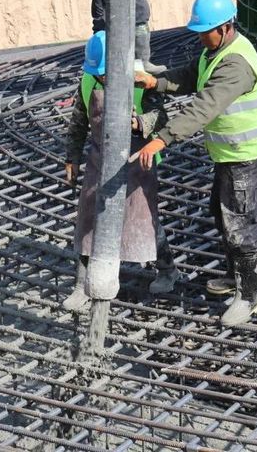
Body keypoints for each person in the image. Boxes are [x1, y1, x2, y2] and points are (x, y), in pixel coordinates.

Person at [134, 0, 257, 326]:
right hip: (231, 155)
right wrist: (157, 82)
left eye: (205, 31)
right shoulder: (215, 51)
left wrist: (162, 139)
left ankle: (248, 297)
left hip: (249, 157)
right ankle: (235, 278)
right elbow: (191, 76)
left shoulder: (236, 64)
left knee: (240, 227)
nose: (200, 37)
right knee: (223, 215)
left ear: (225, 28)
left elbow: (204, 106)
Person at [62, 31, 180, 310]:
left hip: (138, 160)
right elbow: (79, 122)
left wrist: (140, 123)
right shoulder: (89, 80)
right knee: (87, 219)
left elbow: (162, 116)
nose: (103, 79)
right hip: (99, 160)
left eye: (106, 74)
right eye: (99, 74)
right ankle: (82, 285)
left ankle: (168, 270)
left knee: (143, 220)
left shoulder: (140, 80)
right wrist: (72, 158)